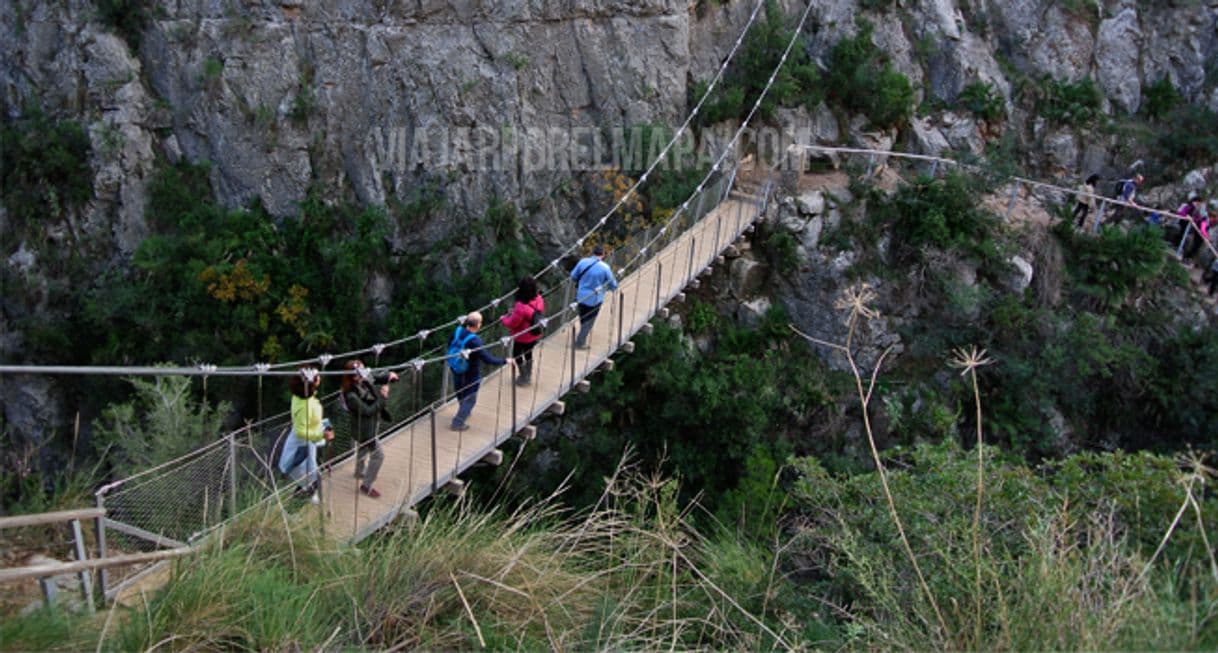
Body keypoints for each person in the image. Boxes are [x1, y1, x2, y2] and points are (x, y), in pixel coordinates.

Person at [341, 360, 398, 498]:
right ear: (353, 377)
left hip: (369, 425)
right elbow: (367, 411)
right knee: (378, 456)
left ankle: (359, 471)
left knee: (363, 447)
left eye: (363, 371)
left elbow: (375, 377)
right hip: (365, 430)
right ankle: (366, 485)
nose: (363, 374)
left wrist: (388, 376)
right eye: (359, 373)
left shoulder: (363, 379)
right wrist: (383, 398)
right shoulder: (351, 396)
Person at [277, 367, 334, 504]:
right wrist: (321, 434)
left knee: (309, 480)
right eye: (317, 375)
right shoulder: (305, 405)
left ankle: (295, 508)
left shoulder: (301, 397)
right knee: (310, 480)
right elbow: (300, 431)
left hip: (305, 445)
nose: (319, 375)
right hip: (301, 448)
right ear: (312, 383)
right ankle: (293, 510)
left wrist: (322, 427)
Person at [449, 311, 513, 431]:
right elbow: (488, 359)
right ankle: (458, 422)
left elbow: (449, 345)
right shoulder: (475, 341)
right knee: (470, 398)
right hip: (470, 372)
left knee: (461, 392)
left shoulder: (457, 331)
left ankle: (463, 412)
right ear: (478, 325)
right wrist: (505, 361)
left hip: (455, 368)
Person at [570, 244, 619, 349]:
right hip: (594, 299)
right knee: (589, 321)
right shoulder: (605, 267)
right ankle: (579, 343)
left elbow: (573, 276)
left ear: (593, 252)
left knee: (583, 318)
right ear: (603, 255)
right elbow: (613, 284)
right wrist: (608, 289)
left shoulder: (583, 262)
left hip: (580, 297)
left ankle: (581, 336)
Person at [500, 276, 545, 386]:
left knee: (517, 354)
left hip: (522, 336)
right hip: (535, 332)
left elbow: (512, 323)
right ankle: (528, 375)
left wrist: (503, 319)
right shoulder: (539, 298)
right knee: (528, 352)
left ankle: (524, 377)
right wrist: (514, 312)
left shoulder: (521, 306)